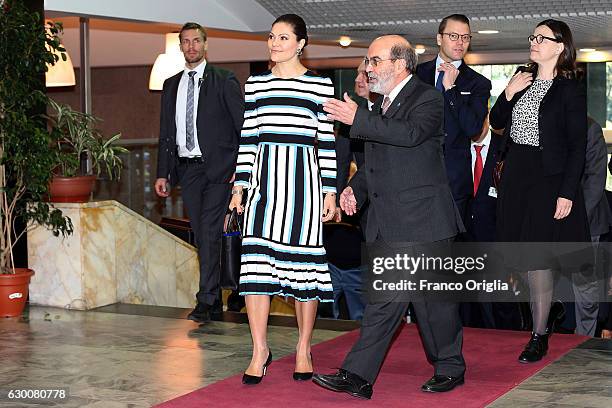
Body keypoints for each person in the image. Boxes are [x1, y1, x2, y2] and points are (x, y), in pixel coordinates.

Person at [312, 35, 465, 399]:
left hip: (424, 220)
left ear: (400, 63)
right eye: (368, 61)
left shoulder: (427, 97)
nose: (368, 67)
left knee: (428, 307)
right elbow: (375, 161)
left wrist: (358, 117)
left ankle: (446, 367)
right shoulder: (381, 107)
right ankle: (362, 375)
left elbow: (410, 135)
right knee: (396, 303)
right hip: (391, 220)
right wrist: (354, 189)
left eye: (375, 60)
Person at [228, 14, 336, 385]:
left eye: (283, 37)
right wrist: (240, 185)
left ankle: (304, 348)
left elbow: (327, 143)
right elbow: (248, 138)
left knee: (305, 274)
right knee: (255, 273)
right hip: (262, 188)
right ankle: (259, 349)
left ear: (301, 43)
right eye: (271, 37)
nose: (275, 43)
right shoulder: (256, 83)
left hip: (304, 189)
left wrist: (330, 190)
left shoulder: (320, 86)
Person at [490, 19, 589, 362]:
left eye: (541, 38)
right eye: (533, 37)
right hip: (517, 175)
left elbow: (578, 146)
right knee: (518, 256)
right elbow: (496, 122)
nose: (534, 42)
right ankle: (550, 312)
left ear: (560, 47)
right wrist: (508, 92)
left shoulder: (569, 90)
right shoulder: (521, 78)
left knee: (538, 258)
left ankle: (538, 333)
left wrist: (568, 192)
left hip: (549, 179)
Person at [155, 22, 244, 323]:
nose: (191, 46)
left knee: (207, 231)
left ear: (206, 45)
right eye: (186, 41)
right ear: (180, 46)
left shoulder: (224, 79)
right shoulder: (170, 84)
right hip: (187, 169)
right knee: (203, 235)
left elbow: (242, 127)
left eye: (196, 41)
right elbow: (166, 132)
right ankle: (216, 296)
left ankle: (206, 300)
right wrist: (162, 173)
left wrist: (240, 169)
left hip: (220, 170)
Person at [416, 14, 491, 223]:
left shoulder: (478, 83)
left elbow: (474, 128)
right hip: (415, 176)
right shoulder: (415, 75)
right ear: (439, 38)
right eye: (453, 35)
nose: (460, 42)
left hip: (454, 181)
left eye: (466, 37)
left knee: (451, 249)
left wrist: (451, 90)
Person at [574, 116, 611, 335]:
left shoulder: (589, 127)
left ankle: (582, 342)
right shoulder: (544, 124)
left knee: (586, 292)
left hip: (587, 221)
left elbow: (596, 180)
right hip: (551, 221)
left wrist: (575, 217)